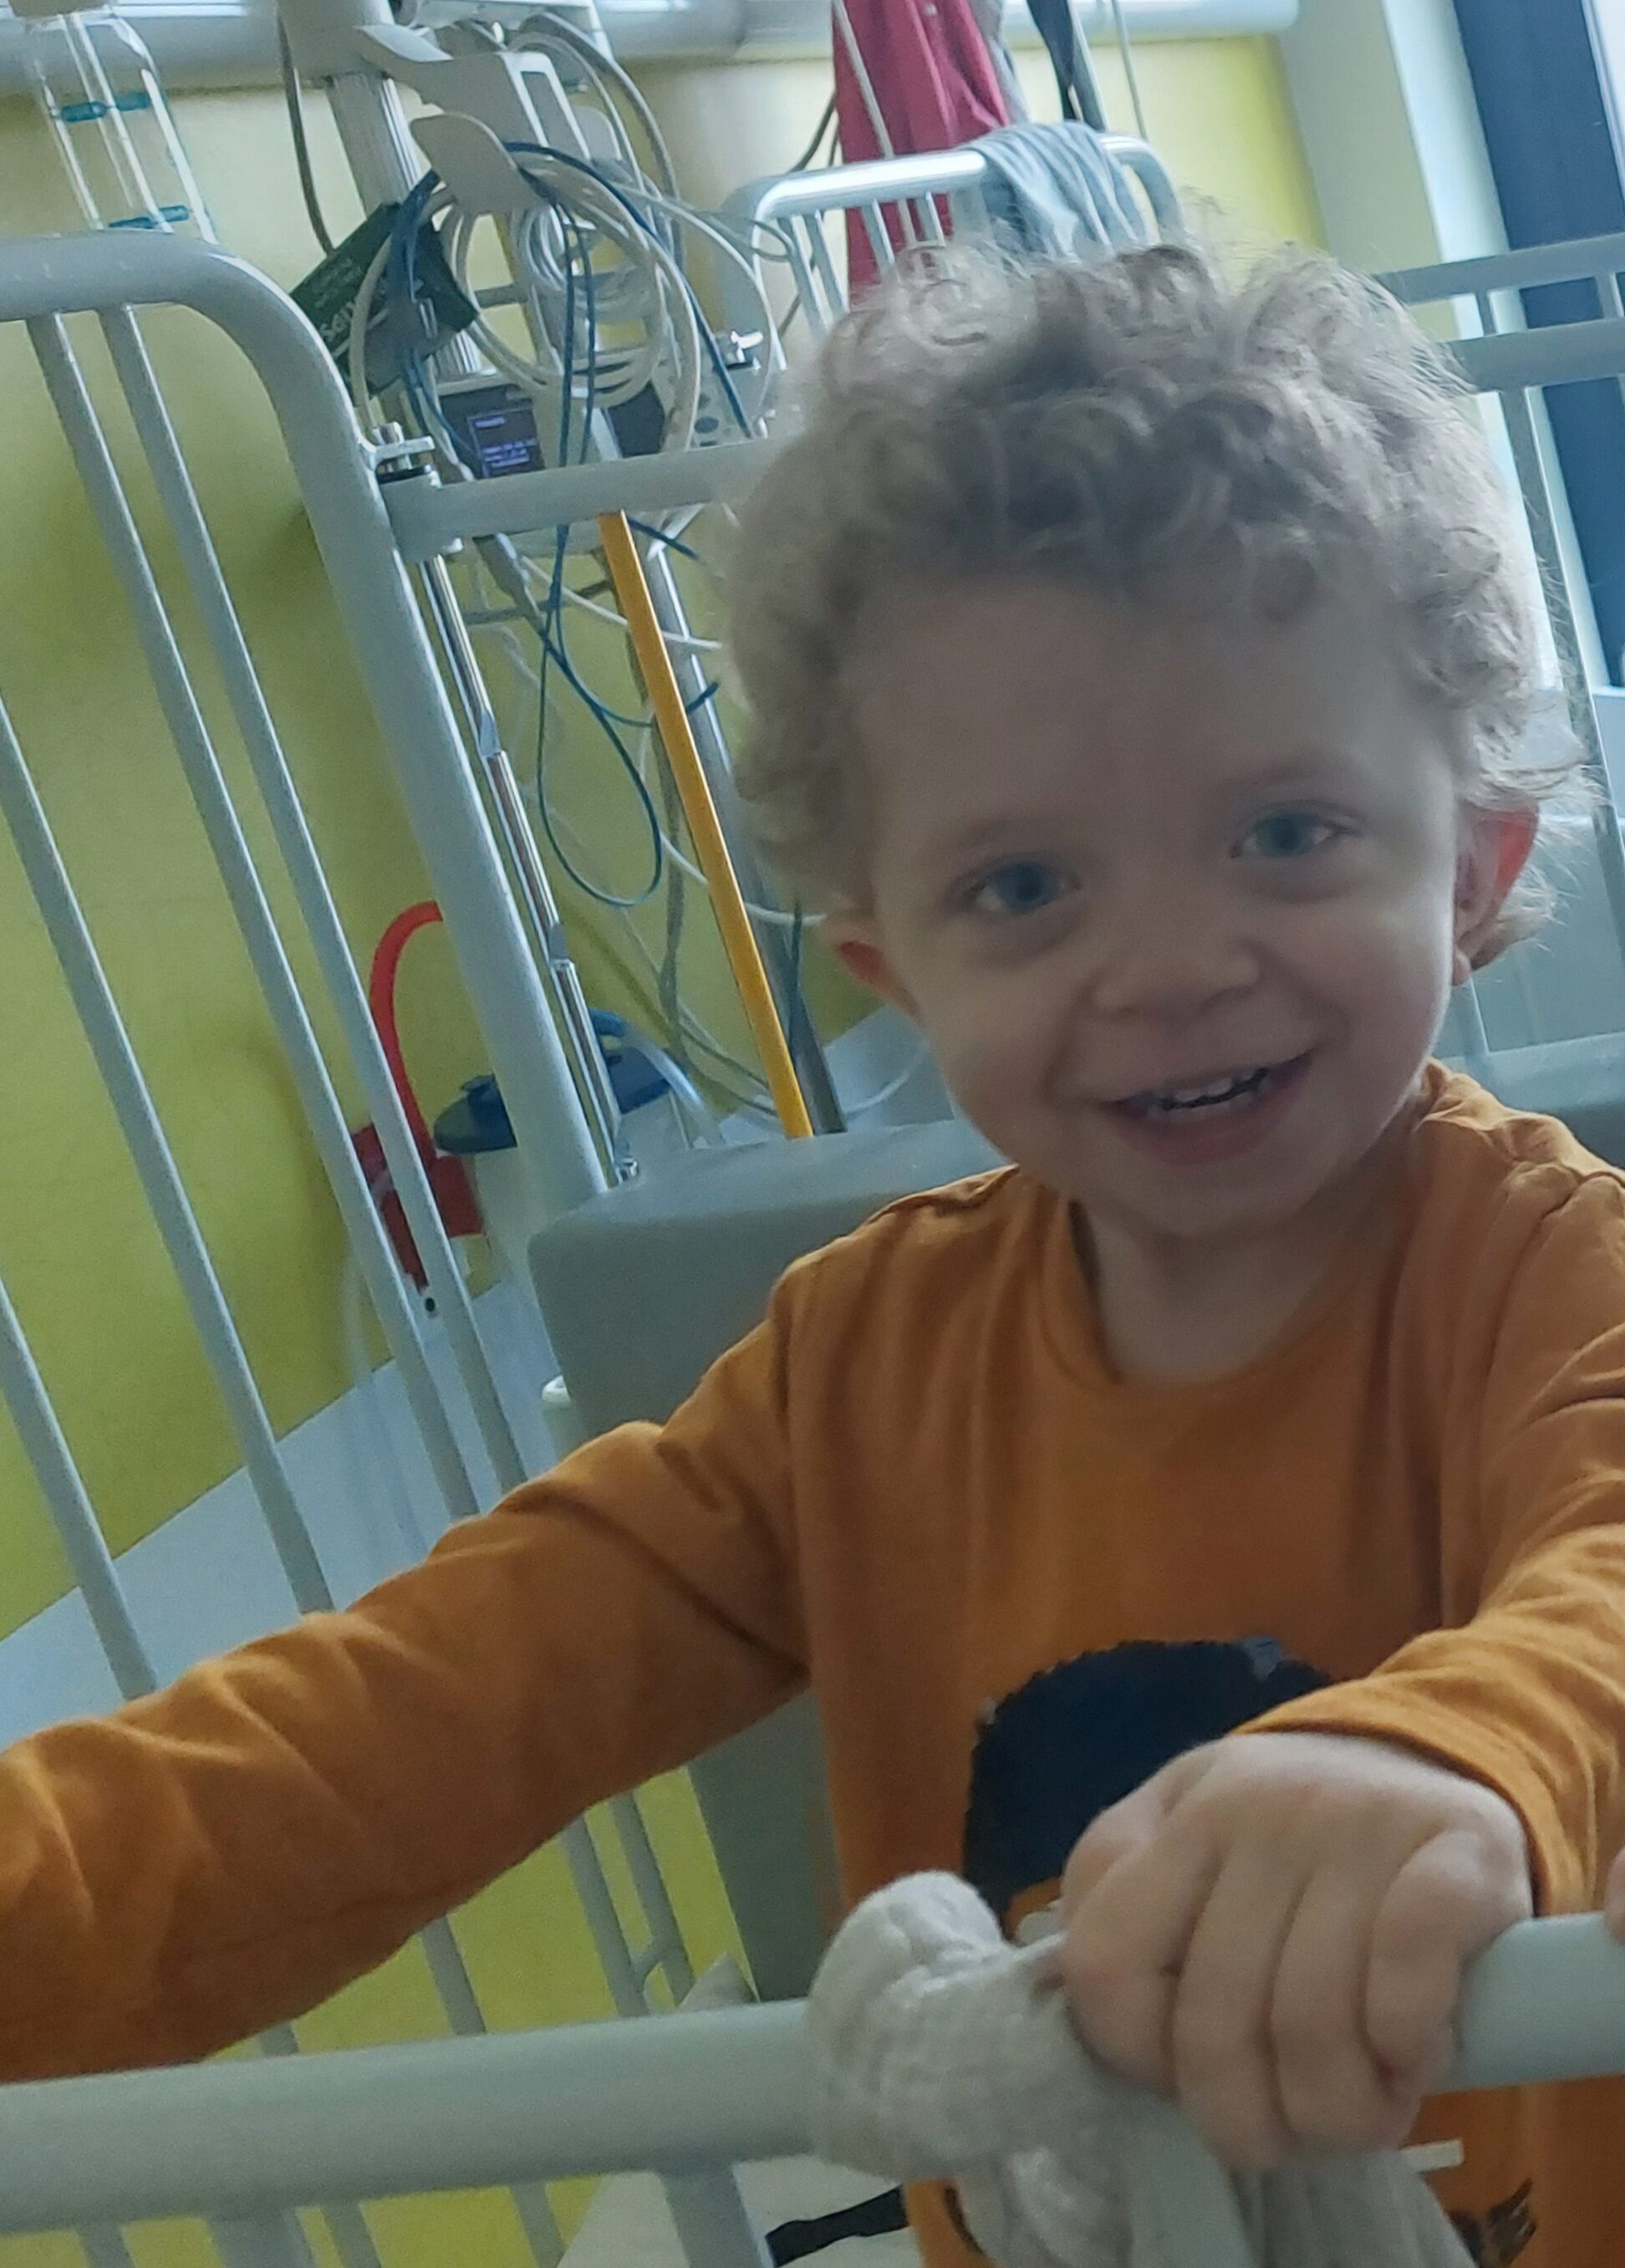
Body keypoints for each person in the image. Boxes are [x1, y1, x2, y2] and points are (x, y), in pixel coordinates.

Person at [2, 242, 1623, 2268]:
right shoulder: (853, 1374)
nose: (1170, 966)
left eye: (1286, 833)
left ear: (1471, 869)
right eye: (1021, 886)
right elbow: (400, 1720)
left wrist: (1447, 1746)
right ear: (893, 965)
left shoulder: (1554, 1278)